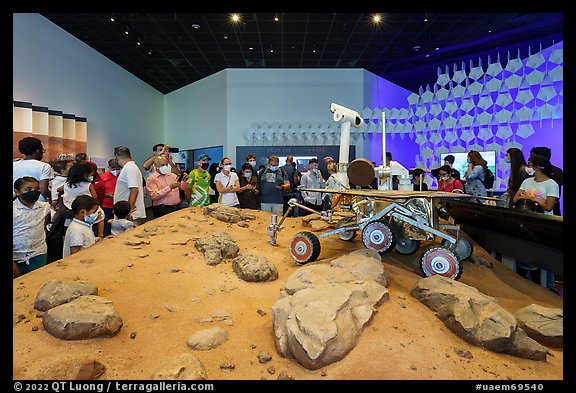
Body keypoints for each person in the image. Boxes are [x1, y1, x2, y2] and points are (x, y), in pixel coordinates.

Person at [13, 176, 51, 277]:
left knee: (36, 281)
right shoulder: (14, 210)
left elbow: (44, 225)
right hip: (16, 256)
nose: (33, 192)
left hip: (38, 253)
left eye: (37, 189)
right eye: (28, 189)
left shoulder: (44, 207)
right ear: (17, 192)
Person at [57, 161, 105, 238]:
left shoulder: (67, 184)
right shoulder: (88, 185)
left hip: (71, 208)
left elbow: (58, 189)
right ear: (84, 174)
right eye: (90, 174)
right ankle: (100, 234)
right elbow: (95, 196)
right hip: (87, 207)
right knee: (101, 215)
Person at [13, 136, 53, 203]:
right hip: (38, 203)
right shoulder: (44, 166)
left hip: (17, 203)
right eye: (42, 150)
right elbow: (43, 191)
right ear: (37, 151)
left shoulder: (14, 165)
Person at [114, 146, 147, 225]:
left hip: (128, 215)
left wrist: (128, 211)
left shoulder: (129, 168)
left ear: (117, 157)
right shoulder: (130, 167)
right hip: (125, 213)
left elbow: (134, 189)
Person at [530, 146, 563, 215]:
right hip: (532, 209)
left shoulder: (556, 172)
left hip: (551, 209)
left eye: (533, 157)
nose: (531, 160)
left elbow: (556, 191)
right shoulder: (531, 172)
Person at [99, 158, 121, 236]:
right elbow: (99, 191)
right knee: (107, 227)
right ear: (108, 167)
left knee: (119, 227)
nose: (116, 171)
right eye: (113, 169)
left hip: (119, 205)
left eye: (118, 169)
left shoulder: (122, 175)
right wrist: (107, 195)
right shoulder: (102, 177)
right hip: (106, 205)